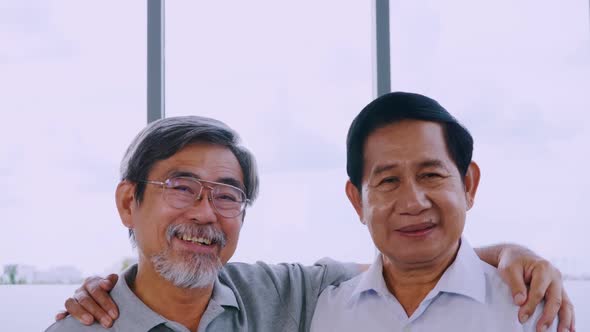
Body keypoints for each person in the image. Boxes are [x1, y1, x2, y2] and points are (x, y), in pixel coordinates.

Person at [52, 115, 574, 332]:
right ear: (128, 203)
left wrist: (510, 255)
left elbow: (408, 261)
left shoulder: (285, 294)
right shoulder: (84, 324)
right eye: (182, 187)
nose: (205, 213)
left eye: (228, 194)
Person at [310, 92, 563, 331]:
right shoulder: (328, 312)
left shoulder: (530, 313)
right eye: (388, 181)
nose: (413, 203)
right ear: (357, 201)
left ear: (468, 185)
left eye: (431, 175)